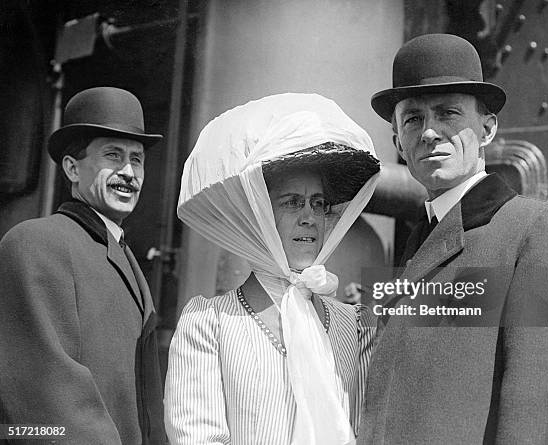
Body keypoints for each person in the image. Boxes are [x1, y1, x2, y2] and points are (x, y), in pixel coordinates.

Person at [358, 34, 548, 443]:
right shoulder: (418, 246)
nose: (429, 132)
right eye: (412, 119)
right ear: (397, 142)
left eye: (449, 113)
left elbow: (547, 415)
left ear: (488, 128)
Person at [164, 93, 380, 445]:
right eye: (292, 202)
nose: (309, 217)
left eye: (319, 203)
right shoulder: (210, 323)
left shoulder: (355, 325)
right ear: (259, 215)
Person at [0, 87, 166, 444]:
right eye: (113, 155)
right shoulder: (35, 242)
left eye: (136, 159)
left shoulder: (121, 253)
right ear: (72, 168)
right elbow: (45, 399)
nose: (128, 172)